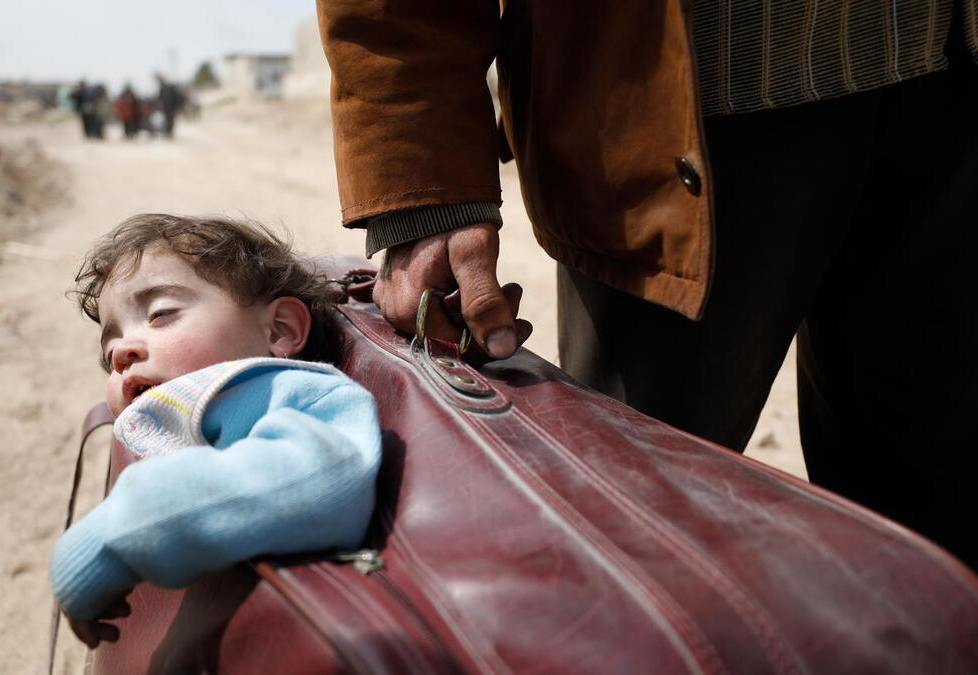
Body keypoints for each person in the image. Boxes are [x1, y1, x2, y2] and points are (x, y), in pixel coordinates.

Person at [316, 1, 978, 567]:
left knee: (941, 556)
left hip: (956, 76)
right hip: (671, 121)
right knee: (629, 554)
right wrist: (425, 177)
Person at [49, 214, 383, 647]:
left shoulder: (294, 392)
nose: (123, 354)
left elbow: (325, 480)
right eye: (110, 349)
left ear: (279, 330)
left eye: (161, 314)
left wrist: (116, 533)